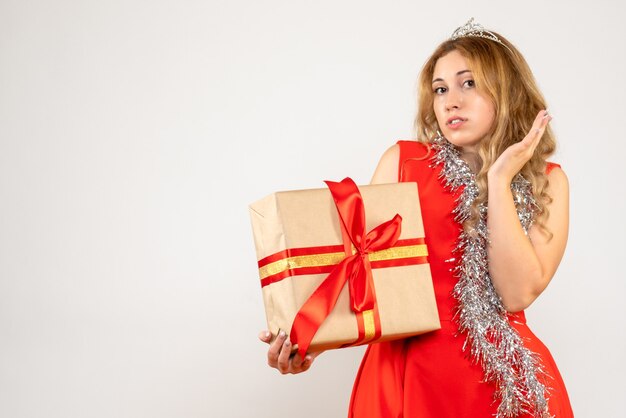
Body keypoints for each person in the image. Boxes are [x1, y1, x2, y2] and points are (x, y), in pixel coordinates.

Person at [258, 18, 574, 417]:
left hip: (508, 387)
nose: (449, 101)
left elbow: (516, 294)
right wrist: (308, 345)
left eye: (468, 83)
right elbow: (359, 278)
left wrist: (499, 180)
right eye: (440, 89)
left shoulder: (549, 182)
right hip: (405, 377)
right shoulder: (403, 163)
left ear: (507, 90)